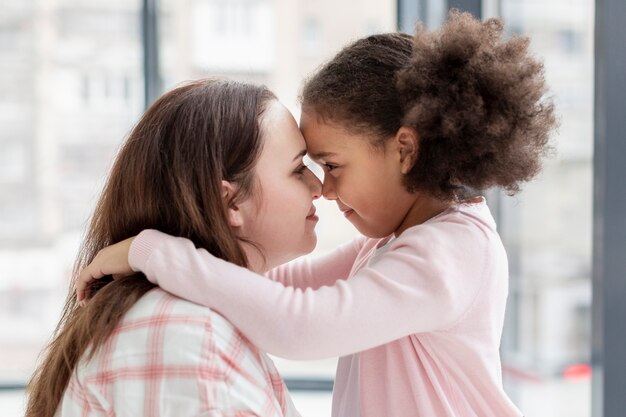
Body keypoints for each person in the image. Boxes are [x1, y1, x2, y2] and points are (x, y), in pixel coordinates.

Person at [76, 11, 557, 417]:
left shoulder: (453, 250)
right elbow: (275, 288)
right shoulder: (393, 243)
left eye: (331, 165)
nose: (323, 188)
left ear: (405, 150)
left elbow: (300, 325)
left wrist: (155, 251)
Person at [26, 78, 323, 417]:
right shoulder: (189, 337)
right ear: (230, 202)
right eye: (298, 169)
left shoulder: (189, 324)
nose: (318, 186)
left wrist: (147, 250)